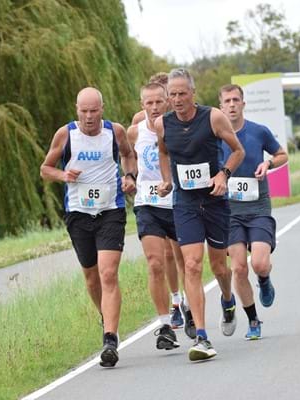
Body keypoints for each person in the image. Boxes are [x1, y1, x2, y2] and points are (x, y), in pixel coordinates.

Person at [40, 87, 137, 368]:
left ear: (102, 109)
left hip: (110, 210)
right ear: (77, 110)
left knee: (108, 273)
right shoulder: (65, 134)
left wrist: (130, 176)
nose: (89, 116)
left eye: (94, 111)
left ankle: (110, 339)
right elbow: (45, 169)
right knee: (92, 278)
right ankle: (105, 317)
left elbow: (128, 155)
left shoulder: (115, 132)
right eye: (84, 111)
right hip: (78, 214)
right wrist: (63, 175)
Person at [155, 68, 245, 361]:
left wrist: (223, 174)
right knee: (192, 265)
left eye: (182, 93)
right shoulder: (162, 124)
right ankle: (203, 337)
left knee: (219, 268)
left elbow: (238, 151)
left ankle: (228, 300)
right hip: (185, 203)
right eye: (172, 94)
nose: (177, 99)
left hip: (215, 201)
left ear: (193, 93)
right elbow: (163, 152)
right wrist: (167, 180)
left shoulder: (213, 117)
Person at [218, 84, 288, 340]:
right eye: (227, 101)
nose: (232, 104)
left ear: (243, 104)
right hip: (229, 211)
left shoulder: (258, 131)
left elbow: (282, 155)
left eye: (236, 100)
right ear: (221, 106)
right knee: (238, 268)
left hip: (258, 206)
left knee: (259, 263)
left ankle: (264, 279)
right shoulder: (215, 137)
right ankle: (253, 320)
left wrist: (268, 163)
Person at [127, 82, 183, 351]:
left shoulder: (179, 127)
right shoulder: (134, 132)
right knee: (155, 263)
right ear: (142, 105)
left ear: (167, 102)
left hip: (178, 203)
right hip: (147, 203)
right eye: (148, 103)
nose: (154, 107)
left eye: (159, 102)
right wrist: (129, 176)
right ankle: (164, 325)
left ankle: (188, 307)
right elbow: (127, 156)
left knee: (186, 261)